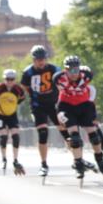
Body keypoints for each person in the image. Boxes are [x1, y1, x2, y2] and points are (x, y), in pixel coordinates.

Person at [20, 44, 66, 178]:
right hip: (38, 105)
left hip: (54, 104)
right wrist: (32, 95)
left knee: (65, 132)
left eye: (43, 59)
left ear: (46, 58)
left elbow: (63, 84)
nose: (41, 62)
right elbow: (24, 85)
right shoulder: (28, 72)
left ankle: (78, 160)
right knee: (43, 133)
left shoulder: (54, 69)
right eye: (38, 59)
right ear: (33, 59)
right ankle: (44, 164)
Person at [52, 55, 101, 181]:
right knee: (74, 138)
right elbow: (57, 94)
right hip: (67, 106)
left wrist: (92, 106)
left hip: (83, 105)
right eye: (70, 70)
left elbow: (92, 90)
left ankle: (99, 158)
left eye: (76, 70)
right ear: (65, 70)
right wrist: (58, 113)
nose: (73, 73)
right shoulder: (59, 79)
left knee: (94, 136)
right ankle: (78, 164)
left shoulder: (87, 75)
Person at [0, 69, 27, 175]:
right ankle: (4, 158)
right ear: (4, 79)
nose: (9, 82)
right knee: (3, 137)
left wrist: (14, 104)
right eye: (7, 79)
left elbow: (22, 98)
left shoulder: (18, 89)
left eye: (12, 79)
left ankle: (15, 160)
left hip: (12, 114)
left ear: (14, 80)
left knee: (16, 136)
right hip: (0, 115)